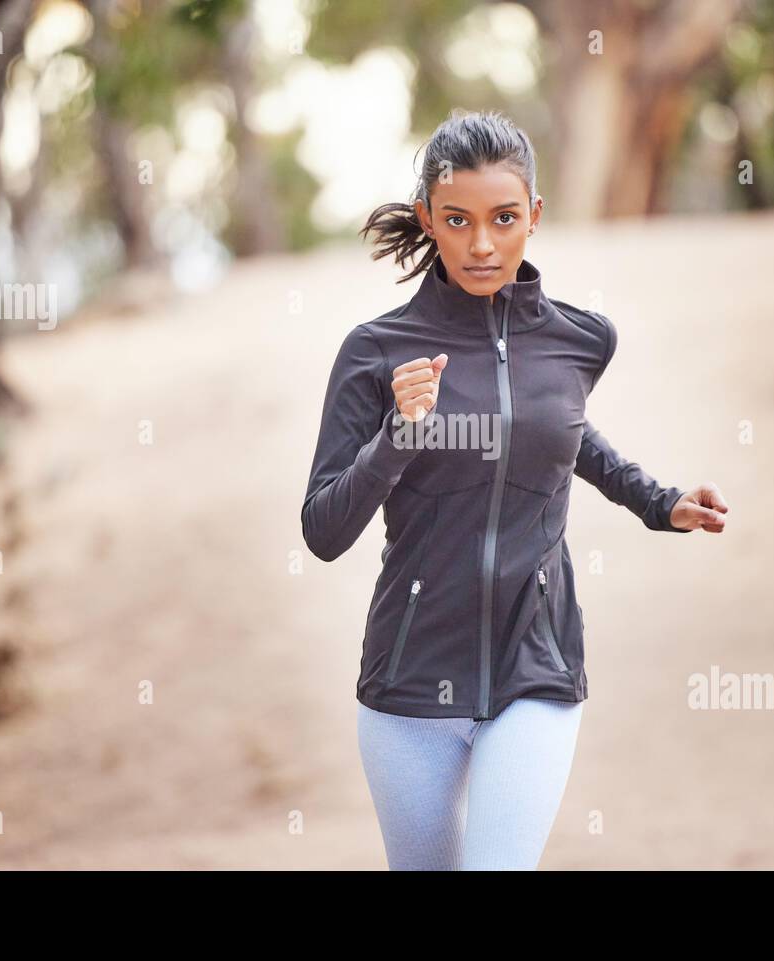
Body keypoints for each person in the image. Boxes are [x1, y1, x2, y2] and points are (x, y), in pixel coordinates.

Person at [301, 108, 729, 870]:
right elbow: (323, 531)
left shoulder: (579, 339)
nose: (482, 244)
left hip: (537, 661)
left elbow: (558, 433)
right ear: (429, 217)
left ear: (534, 214)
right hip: (407, 684)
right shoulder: (375, 353)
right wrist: (398, 434)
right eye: (458, 220)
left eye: (503, 218)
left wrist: (656, 501)